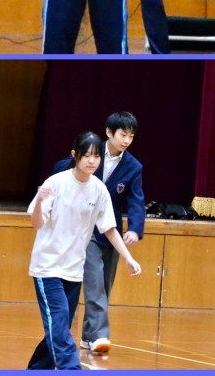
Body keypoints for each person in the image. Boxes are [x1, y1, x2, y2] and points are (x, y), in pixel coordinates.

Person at [27, 130, 141, 370]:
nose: (92, 161)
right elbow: (36, 223)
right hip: (48, 267)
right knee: (58, 324)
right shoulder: (55, 183)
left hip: (74, 270)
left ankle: (35, 370)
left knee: (58, 327)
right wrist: (39, 203)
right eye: (87, 155)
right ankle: (72, 369)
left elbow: (109, 229)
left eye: (96, 156)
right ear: (74, 155)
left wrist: (128, 257)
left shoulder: (98, 189)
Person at [53, 112, 145, 356]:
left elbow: (136, 200)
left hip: (110, 230)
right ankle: (100, 335)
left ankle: (87, 337)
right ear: (109, 133)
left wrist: (135, 229)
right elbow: (62, 169)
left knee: (104, 285)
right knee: (94, 284)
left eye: (131, 136)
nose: (127, 140)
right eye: (123, 135)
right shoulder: (91, 151)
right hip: (86, 230)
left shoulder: (133, 166)